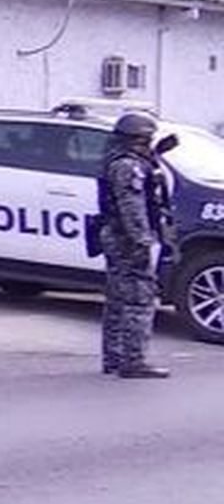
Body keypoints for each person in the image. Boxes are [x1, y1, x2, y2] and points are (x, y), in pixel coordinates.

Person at [98, 110, 172, 379]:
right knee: (139, 299)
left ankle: (114, 358)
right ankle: (133, 361)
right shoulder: (128, 167)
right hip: (128, 240)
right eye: (147, 140)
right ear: (137, 139)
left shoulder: (120, 161)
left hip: (117, 237)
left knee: (118, 298)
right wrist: (142, 242)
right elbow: (133, 209)